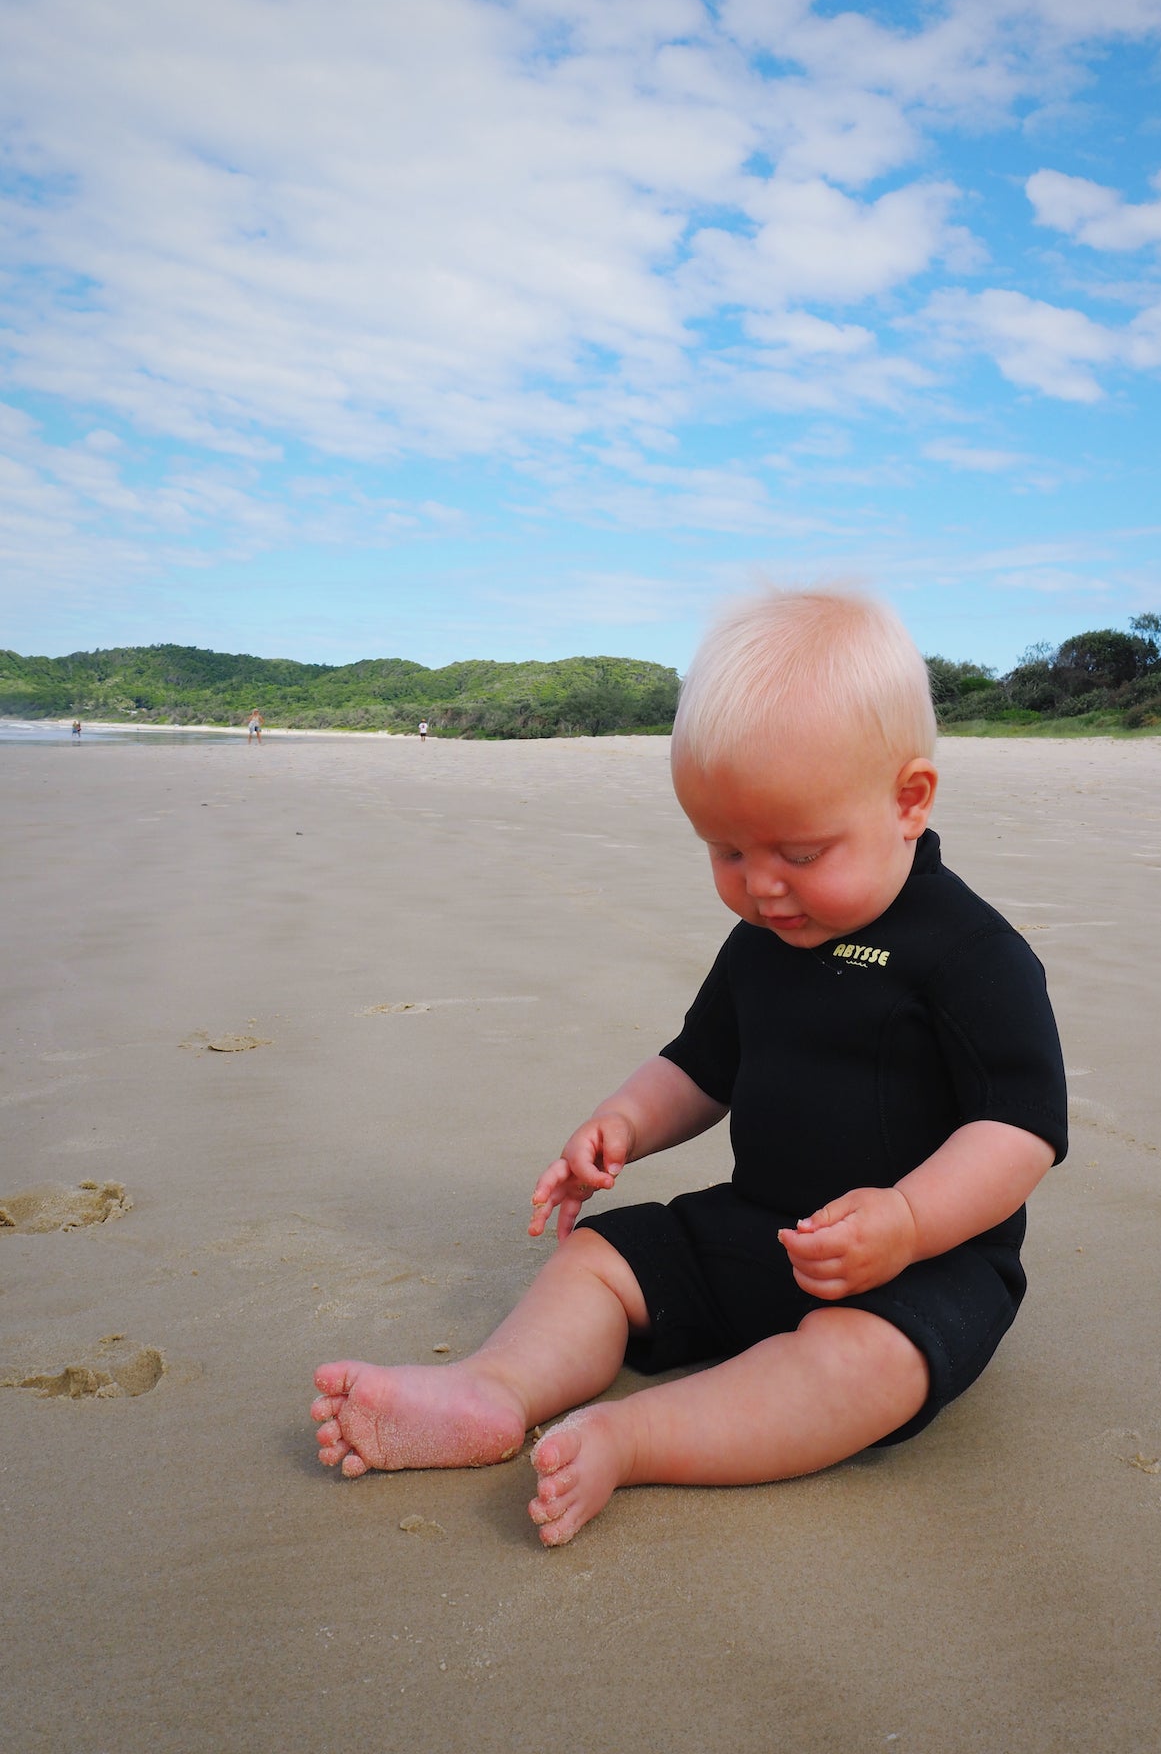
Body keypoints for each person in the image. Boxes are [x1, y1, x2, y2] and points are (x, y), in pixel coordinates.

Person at [311, 589, 1066, 1546]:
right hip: (764, 1227)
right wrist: (621, 1122)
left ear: (908, 801)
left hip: (926, 1267)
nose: (761, 886)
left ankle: (637, 1438)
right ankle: (492, 1390)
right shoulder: (762, 938)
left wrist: (910, 1222)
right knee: (599, 1262)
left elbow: (1021, 1128)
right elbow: (700, 1066)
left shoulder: (971, 953)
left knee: (861, 1366)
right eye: (727, 850)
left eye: (799, 850)